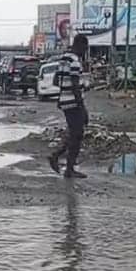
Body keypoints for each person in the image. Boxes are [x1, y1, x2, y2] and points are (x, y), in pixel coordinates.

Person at [49, 33, 89, 179]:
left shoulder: (64, 59)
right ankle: (65, 165)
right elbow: (74, 85)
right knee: (77, 134)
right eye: (85, 48)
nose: (85, 51)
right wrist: (82, 108)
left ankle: (62, 161)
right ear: (80, 45)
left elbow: (55, 80)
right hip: (73, 103)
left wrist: (63, 92)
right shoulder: (75, 61)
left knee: (75, 134)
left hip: (65, 101)